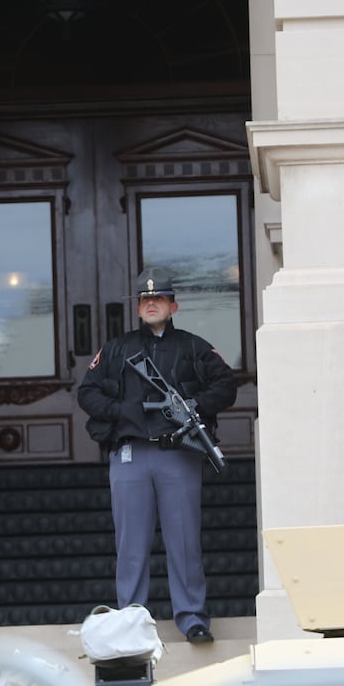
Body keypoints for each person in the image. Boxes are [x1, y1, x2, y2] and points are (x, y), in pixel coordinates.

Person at [77, 266, 237, 644]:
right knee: (130, 545)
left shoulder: (193, 346)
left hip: (178, 454)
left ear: (173, 305)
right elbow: (88, 393)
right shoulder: (116, 348)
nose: (151, 304)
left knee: (184, 541)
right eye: (145, 299)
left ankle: (193, 618)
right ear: (137, 309)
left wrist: (194, 405)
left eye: (159, 298)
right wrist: (122, 413)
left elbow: (226, 385)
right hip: (131, 454)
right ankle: (131, 623)